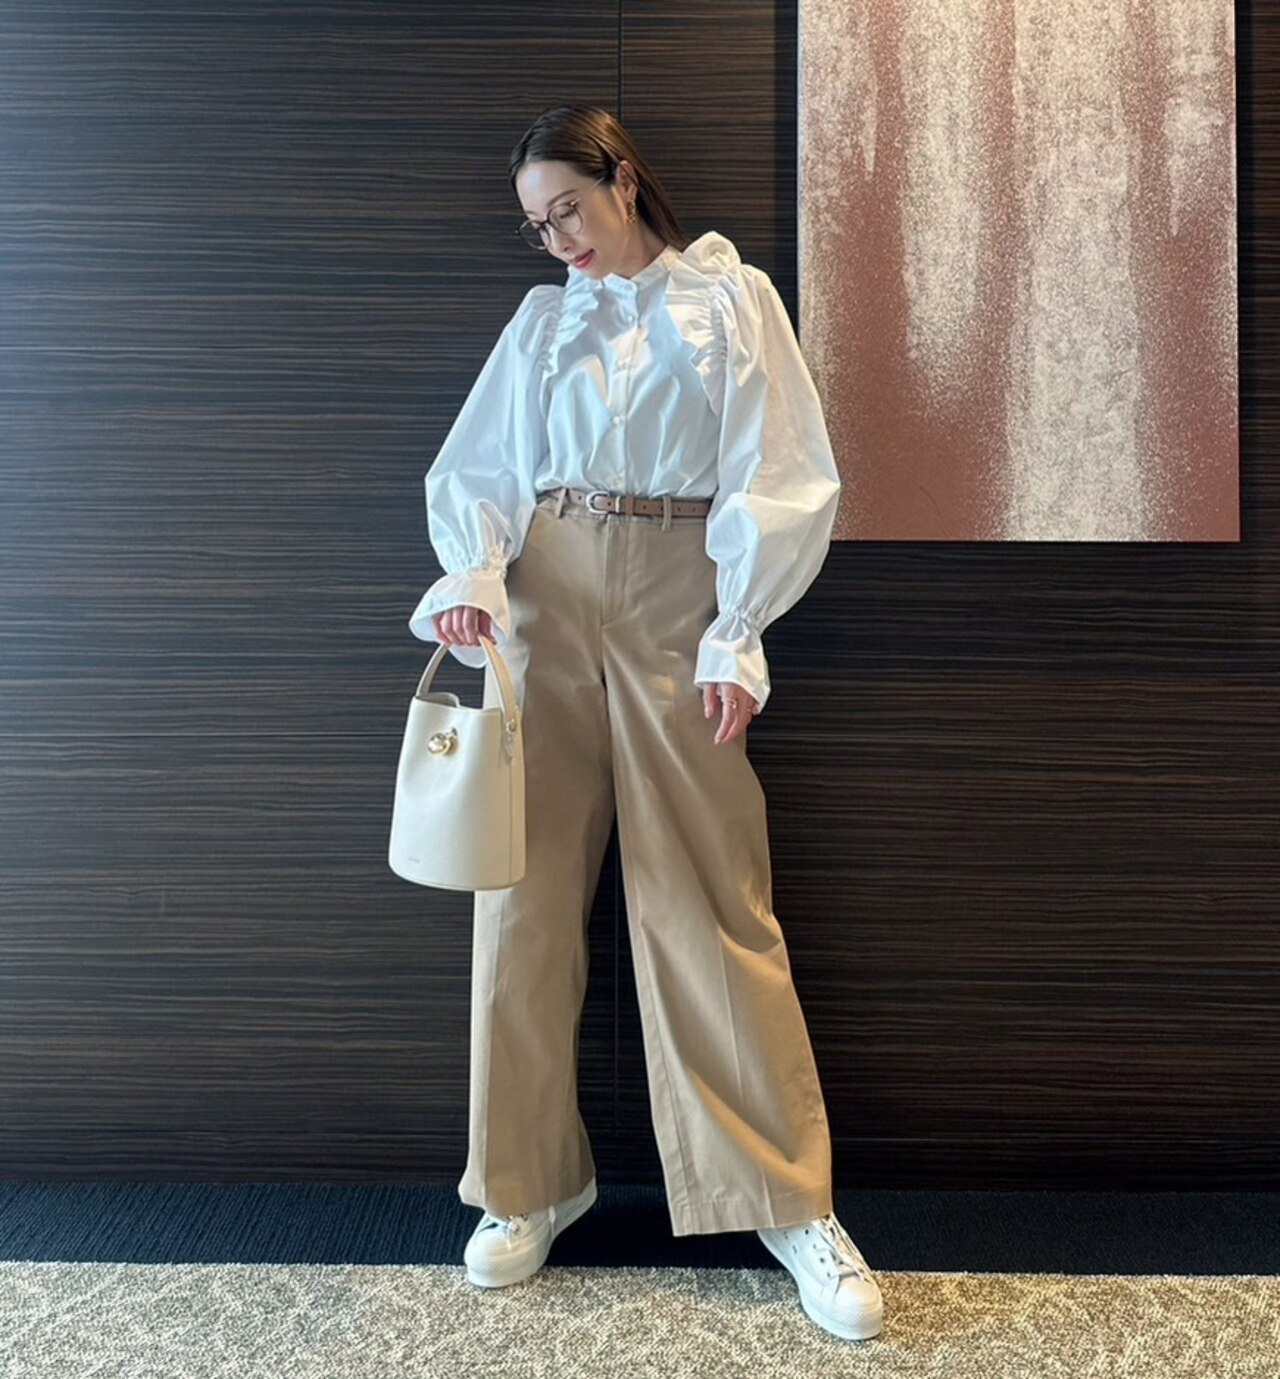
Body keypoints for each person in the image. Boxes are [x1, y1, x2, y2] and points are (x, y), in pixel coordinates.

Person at [408, 104, 883, 1343]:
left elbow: (783, 469)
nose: (554, 237)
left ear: (621, 180)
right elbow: (480, 469)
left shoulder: (730, 300)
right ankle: (524, 1182)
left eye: (565, 207)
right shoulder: (539, 323)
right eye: (534, 224)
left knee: (713, 893)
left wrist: (739, 627)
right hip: (543, 589)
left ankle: (786, 1197)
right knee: (518, 894)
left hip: (681, 584)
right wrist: (471, 577)